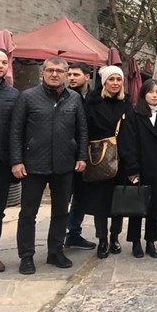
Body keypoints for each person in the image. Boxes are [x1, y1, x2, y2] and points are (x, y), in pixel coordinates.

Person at [9, 57, 88, 274]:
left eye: (59, 71)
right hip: (33, 165)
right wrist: (16, 160)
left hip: (64, 164)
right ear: (43, 72)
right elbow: (16, 131)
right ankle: (26, 256)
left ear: (66, 74)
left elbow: (82, 130)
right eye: (50, 70)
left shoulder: (74, 98)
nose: (54, 74)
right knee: (28, 213)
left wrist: (81, 156)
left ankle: (55, 251)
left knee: (61, 211)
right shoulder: (27, 97)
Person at [119, 79, 157, 258]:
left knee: (155, 207)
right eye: (151, 92)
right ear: (144, 94)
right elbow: (128, 143)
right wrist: (132, 169)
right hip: (140, 167)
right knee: (137, 206)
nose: (154, 95)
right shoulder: (134, 114)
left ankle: (151, 241)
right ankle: (135, 242)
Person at [81, 65, 132, 259]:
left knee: (118, 201)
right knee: (100, 203)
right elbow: (84, 130)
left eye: (118, 80)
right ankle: (102, 238)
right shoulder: (92, 102)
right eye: (111, 79)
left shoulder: (127, 103)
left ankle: (114, 237)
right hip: (99, 158)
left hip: (121, 159)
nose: (115, 83)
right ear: (104, 82)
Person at [64, 62, 95, 250]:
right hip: (66, 155)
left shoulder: (96, 97)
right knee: (63, 199)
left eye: (76, 75)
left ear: (87, 77)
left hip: (89, 156)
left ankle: (74, 233)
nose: (72, 78)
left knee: (81, 198)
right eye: (69, 75)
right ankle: (57, 237)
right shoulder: (64, 96)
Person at [0, 49, 19, 272]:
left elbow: (17, 130)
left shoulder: (13, 95)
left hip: (1, 163)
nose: (0, 65)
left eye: (3, 62)